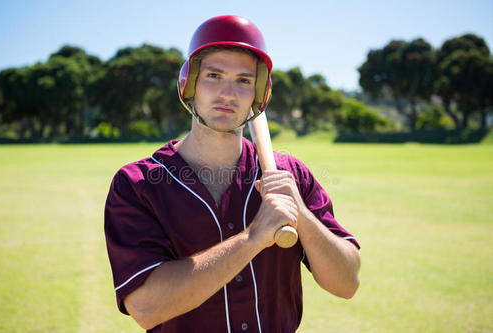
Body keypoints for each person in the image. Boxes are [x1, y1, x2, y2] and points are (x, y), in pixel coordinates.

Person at [105, 15, 360, 333]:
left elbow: (347, 282)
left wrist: (303, 217)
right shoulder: (137, 185)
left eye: (243, 80)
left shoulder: (290, 176)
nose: (228, 93)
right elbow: (146, 307)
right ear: (190, 83)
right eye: (214, 75)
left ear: (259, 92)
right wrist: (253, 238)